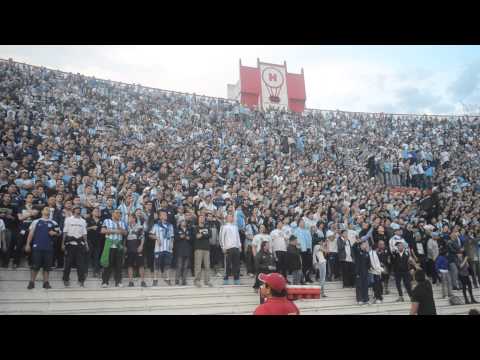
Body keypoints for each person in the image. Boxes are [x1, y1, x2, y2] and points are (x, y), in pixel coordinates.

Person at [24, 207, 60, 289]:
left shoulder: (54, 222)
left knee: (47, 267)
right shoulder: (36, 221)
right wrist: (27, 244)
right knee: (35, 266)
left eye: (48, 209)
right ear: (42, 211)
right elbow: (31, 234)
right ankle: (31, 282)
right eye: (45, 209)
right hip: (37, 247)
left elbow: (58, 233)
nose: (47, 210)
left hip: (49, 247)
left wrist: (54, 233)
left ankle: (46, 283)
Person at [62, 205, 88, 287]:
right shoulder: (68, 219)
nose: (78, 210)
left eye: (79, 209)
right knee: (68, 263)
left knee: (81, 264)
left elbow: (84, 233)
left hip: (80, 244)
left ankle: (81, 281)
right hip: (70, 244)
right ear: (73, 210)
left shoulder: (83, 221)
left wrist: (86, 243)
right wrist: (62, 243)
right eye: (77, 209)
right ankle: (66, 279)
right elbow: (65, 232)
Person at [100, 209, 128, 288]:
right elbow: (102, 231)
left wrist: (120, 229)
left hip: (119, 245)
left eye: (120, 213)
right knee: (107, 264)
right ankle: (105, 282)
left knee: (119, 265)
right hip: (109, 245)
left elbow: (125, 233)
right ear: (112, 214)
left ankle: (118, 282)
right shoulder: (107, 221)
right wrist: (115, 231)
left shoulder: (122, 222)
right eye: (117, 213)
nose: (118, 214)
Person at [149, 210, 175, 286]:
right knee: (156, 264)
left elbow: (172, 236)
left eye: (166, 214)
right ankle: (155, 279)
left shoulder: (170, 225)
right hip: (158, 248)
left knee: (168, 264)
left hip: (168, 248)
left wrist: (172, 244)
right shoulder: (156, 225)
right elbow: (150, 235)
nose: (165, 215)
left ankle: (167, 278)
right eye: (163, 214)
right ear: (160, 217)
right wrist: (157, 238)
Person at [219, 214, 241, 285]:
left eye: (232, 216)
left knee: (236, 264)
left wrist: (239, 245)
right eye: (230, 217)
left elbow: (238, 237)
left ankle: (236, 279)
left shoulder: (235, 227)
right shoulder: (224, 227)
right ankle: (226, 279)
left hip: (236, 247)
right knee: (227, 264)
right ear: (227, 218)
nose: (232, 218)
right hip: (228, 248)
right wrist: (223, 247)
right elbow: (221, 237)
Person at [125, 213, 146, 287]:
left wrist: (141, 245)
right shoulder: (126, 227)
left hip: (137, 247)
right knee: (129, 265)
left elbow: (143, 237)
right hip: (129, 248)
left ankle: (143, 281)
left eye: (130, 218)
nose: (129, 219)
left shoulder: (140, 226)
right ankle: (131, 282)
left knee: (141, 265)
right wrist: (125, 246)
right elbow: (124, 238)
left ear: (134, 218)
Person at [193, 214, 212, 287]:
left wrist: (202, 235)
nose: (202, 219)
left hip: (207, 249)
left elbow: (210, 235)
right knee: (198, 266)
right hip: (198, 249)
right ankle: (197, 281)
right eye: (200, 218)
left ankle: (207, 281)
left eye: (203, 218)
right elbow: (197, 236)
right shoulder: (195, 227)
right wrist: (204, 234)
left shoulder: (207, 227)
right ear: (198, 219)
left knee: (207, 266)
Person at [86, 207, 103, 277]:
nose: (97, 212)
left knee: (97, 256)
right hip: (89, 240)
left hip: (99, 241)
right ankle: (84, 272)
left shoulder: (102, 220)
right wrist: (91, 228)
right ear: (92, 212)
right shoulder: (88, 219)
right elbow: (83, 229)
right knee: (88, 256)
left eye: (98, 211)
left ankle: (96, 272)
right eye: (95, 211)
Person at [175, 220, 192, 286]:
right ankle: (177, 280)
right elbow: (175, 238)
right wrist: (180, 237)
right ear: (180, 223)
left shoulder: (189, 230)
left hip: (187, 250)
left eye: (185, 222)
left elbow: (192, 238)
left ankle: (184, 281)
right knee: (179, 266)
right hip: (180, 250)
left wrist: (189, 238)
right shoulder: (177, 230)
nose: (184, 223)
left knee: (185, 267)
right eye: (182, 222)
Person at [354, 240, 371, 305]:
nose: (365, 246)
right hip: (359, 272)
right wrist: (357, 242)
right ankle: (359, 299)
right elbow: (354, 248)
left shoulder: (366, 253)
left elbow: (368, 263)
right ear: (360, 246)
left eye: (365, 245)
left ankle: (366, 299)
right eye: (363, 244)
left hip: (365, 272)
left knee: (365, 286)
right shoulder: (358, 252)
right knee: (359, 286)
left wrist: (369, 268)